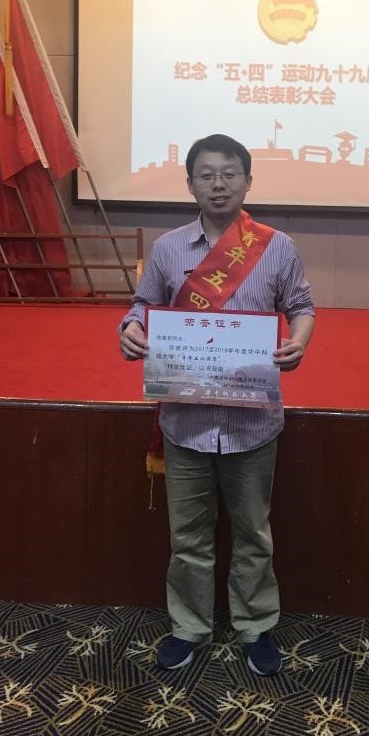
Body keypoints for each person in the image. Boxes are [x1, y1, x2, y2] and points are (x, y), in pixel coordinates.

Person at [119, 133, 314, 675]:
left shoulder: (276, 246)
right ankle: (189, 626)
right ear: (190, 184)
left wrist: (299, 341)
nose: (219, 184)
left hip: (252, 422)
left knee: (253, 532)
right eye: (207, 175)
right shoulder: (168, 248)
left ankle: (255, 625)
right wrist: (131, 330)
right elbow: (142, 306)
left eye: (229, 174)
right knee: (187, 536)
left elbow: (302, 304)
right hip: (186, 421)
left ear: (248, 181)